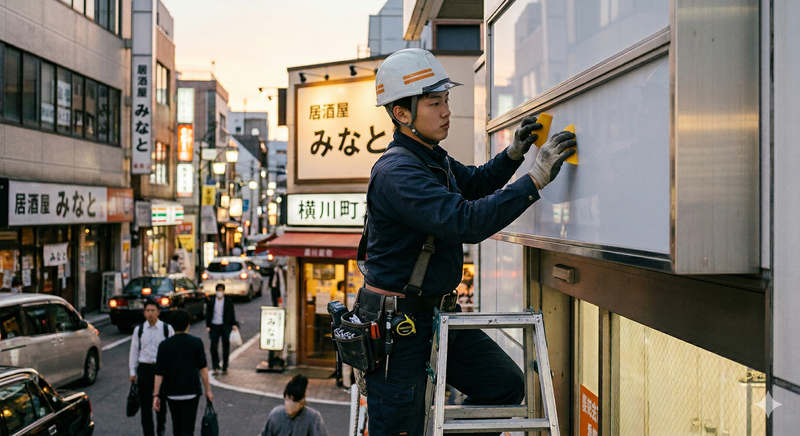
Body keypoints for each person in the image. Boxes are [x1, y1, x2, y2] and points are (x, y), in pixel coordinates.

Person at [358, 48, 575, 435]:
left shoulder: (429, 156)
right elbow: (465, 221)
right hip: (400, 327)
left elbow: (473, 184)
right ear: (401, 114)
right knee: (401, 427)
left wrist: (513, 154)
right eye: (434, 102)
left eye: (446, 101)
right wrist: (535, 180)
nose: (446, 111)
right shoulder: (398, 173)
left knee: (505, 385)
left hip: (436, 317)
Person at [153, 309, 213, 436]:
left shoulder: (165, 345)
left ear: (172, 326)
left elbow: (159, 373)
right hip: (191, 391)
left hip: (172, 392)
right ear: (188, 324)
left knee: (177, 426)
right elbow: (203, 369)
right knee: (188, 428)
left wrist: (156, 395)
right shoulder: (196, 343)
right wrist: (208, 390)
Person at [129, 299, 174, 436]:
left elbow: (172, 351)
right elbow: (134, 351)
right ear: (144, 313)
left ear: (158, 312)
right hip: (145, 369)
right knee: (145, 405)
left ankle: (161, 429)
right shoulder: (139, 330)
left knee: (161, 403)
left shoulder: (167, 329)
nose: (150, 314)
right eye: (147, 311)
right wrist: (132, 372)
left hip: (161, 370)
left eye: (153, 310)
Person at [260, 374, 329, 436]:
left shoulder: (313, 418)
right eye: (287, 399)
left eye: (294, 400)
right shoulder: (276, 415)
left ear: (302, 399)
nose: (290, 403)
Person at [205, 284, 239, 375]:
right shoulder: (211, 302)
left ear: (223, 291)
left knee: (225, 346)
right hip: (214, 326)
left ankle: (225, 366)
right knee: (213, 347)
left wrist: (233, 324)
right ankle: (215, 366)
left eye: (221, 290)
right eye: (218, 290)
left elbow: (232, 314)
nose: (219, 292)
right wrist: (208, 326)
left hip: (225, 326)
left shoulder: (228, 302)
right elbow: (208, 314)